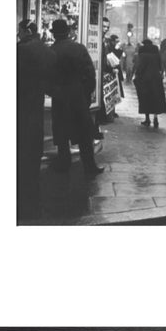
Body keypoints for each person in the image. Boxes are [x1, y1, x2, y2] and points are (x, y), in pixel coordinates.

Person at [50, 19, 104, 177]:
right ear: (68, 32)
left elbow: (47, 77)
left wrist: (54, 92)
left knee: (61, 133)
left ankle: (63, 163)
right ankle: (89, 166)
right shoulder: (79, 48)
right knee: (84, 134)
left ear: (54, 35)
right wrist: (85, 95)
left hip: (60, 98)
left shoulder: (52, 51)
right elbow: (90, 74)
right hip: (77, 96)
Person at [17, 20, 56, 221]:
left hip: (20, 107)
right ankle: (33, 204)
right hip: (36, 110)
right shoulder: (46, 51)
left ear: (26, 31)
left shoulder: (21, 51)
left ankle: (23, 205)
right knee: (31, 157)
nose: (18, 35)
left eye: (19, 31)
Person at [133, 38, 166, 127]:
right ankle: (155, 119)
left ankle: (147, 119)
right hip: (156, 79)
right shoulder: (156, 54)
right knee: (156, 99)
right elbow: (160, 66)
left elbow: (140, 67)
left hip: (145, 80)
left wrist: (136, 75)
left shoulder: (143, 54)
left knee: (145, 99)